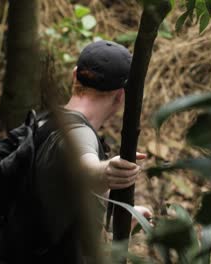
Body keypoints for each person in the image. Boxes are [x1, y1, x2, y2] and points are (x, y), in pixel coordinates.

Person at [30, 40, 151, 263]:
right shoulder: (79, 134)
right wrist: (106, 172)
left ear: (75, 75)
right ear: (122, 95)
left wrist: (122, 220)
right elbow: (84, 167)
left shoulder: (42, 123)